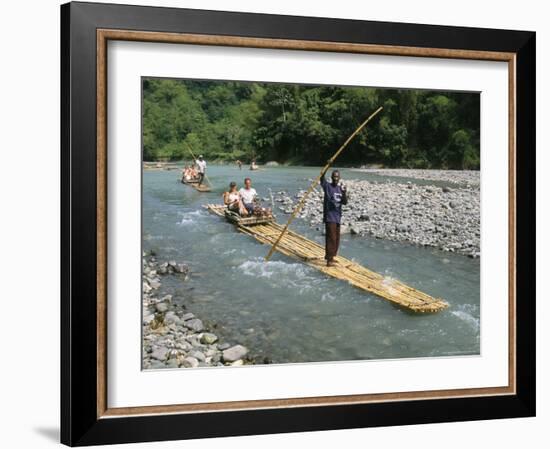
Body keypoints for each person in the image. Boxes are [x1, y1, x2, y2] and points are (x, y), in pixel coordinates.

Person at [320, 169, 348, 267]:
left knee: (336, 239)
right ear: (331, 177)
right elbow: (321, 177)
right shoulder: (327, 186)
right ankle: (329, 260)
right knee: (331, 238)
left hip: (337, 217)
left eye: (337, 177)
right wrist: (326, 168)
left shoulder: (340, 188)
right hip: (329, 216)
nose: (336, 179)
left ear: (339, 178)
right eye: (334, 177)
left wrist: (344, 193)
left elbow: (344, 202)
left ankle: (332, 257)